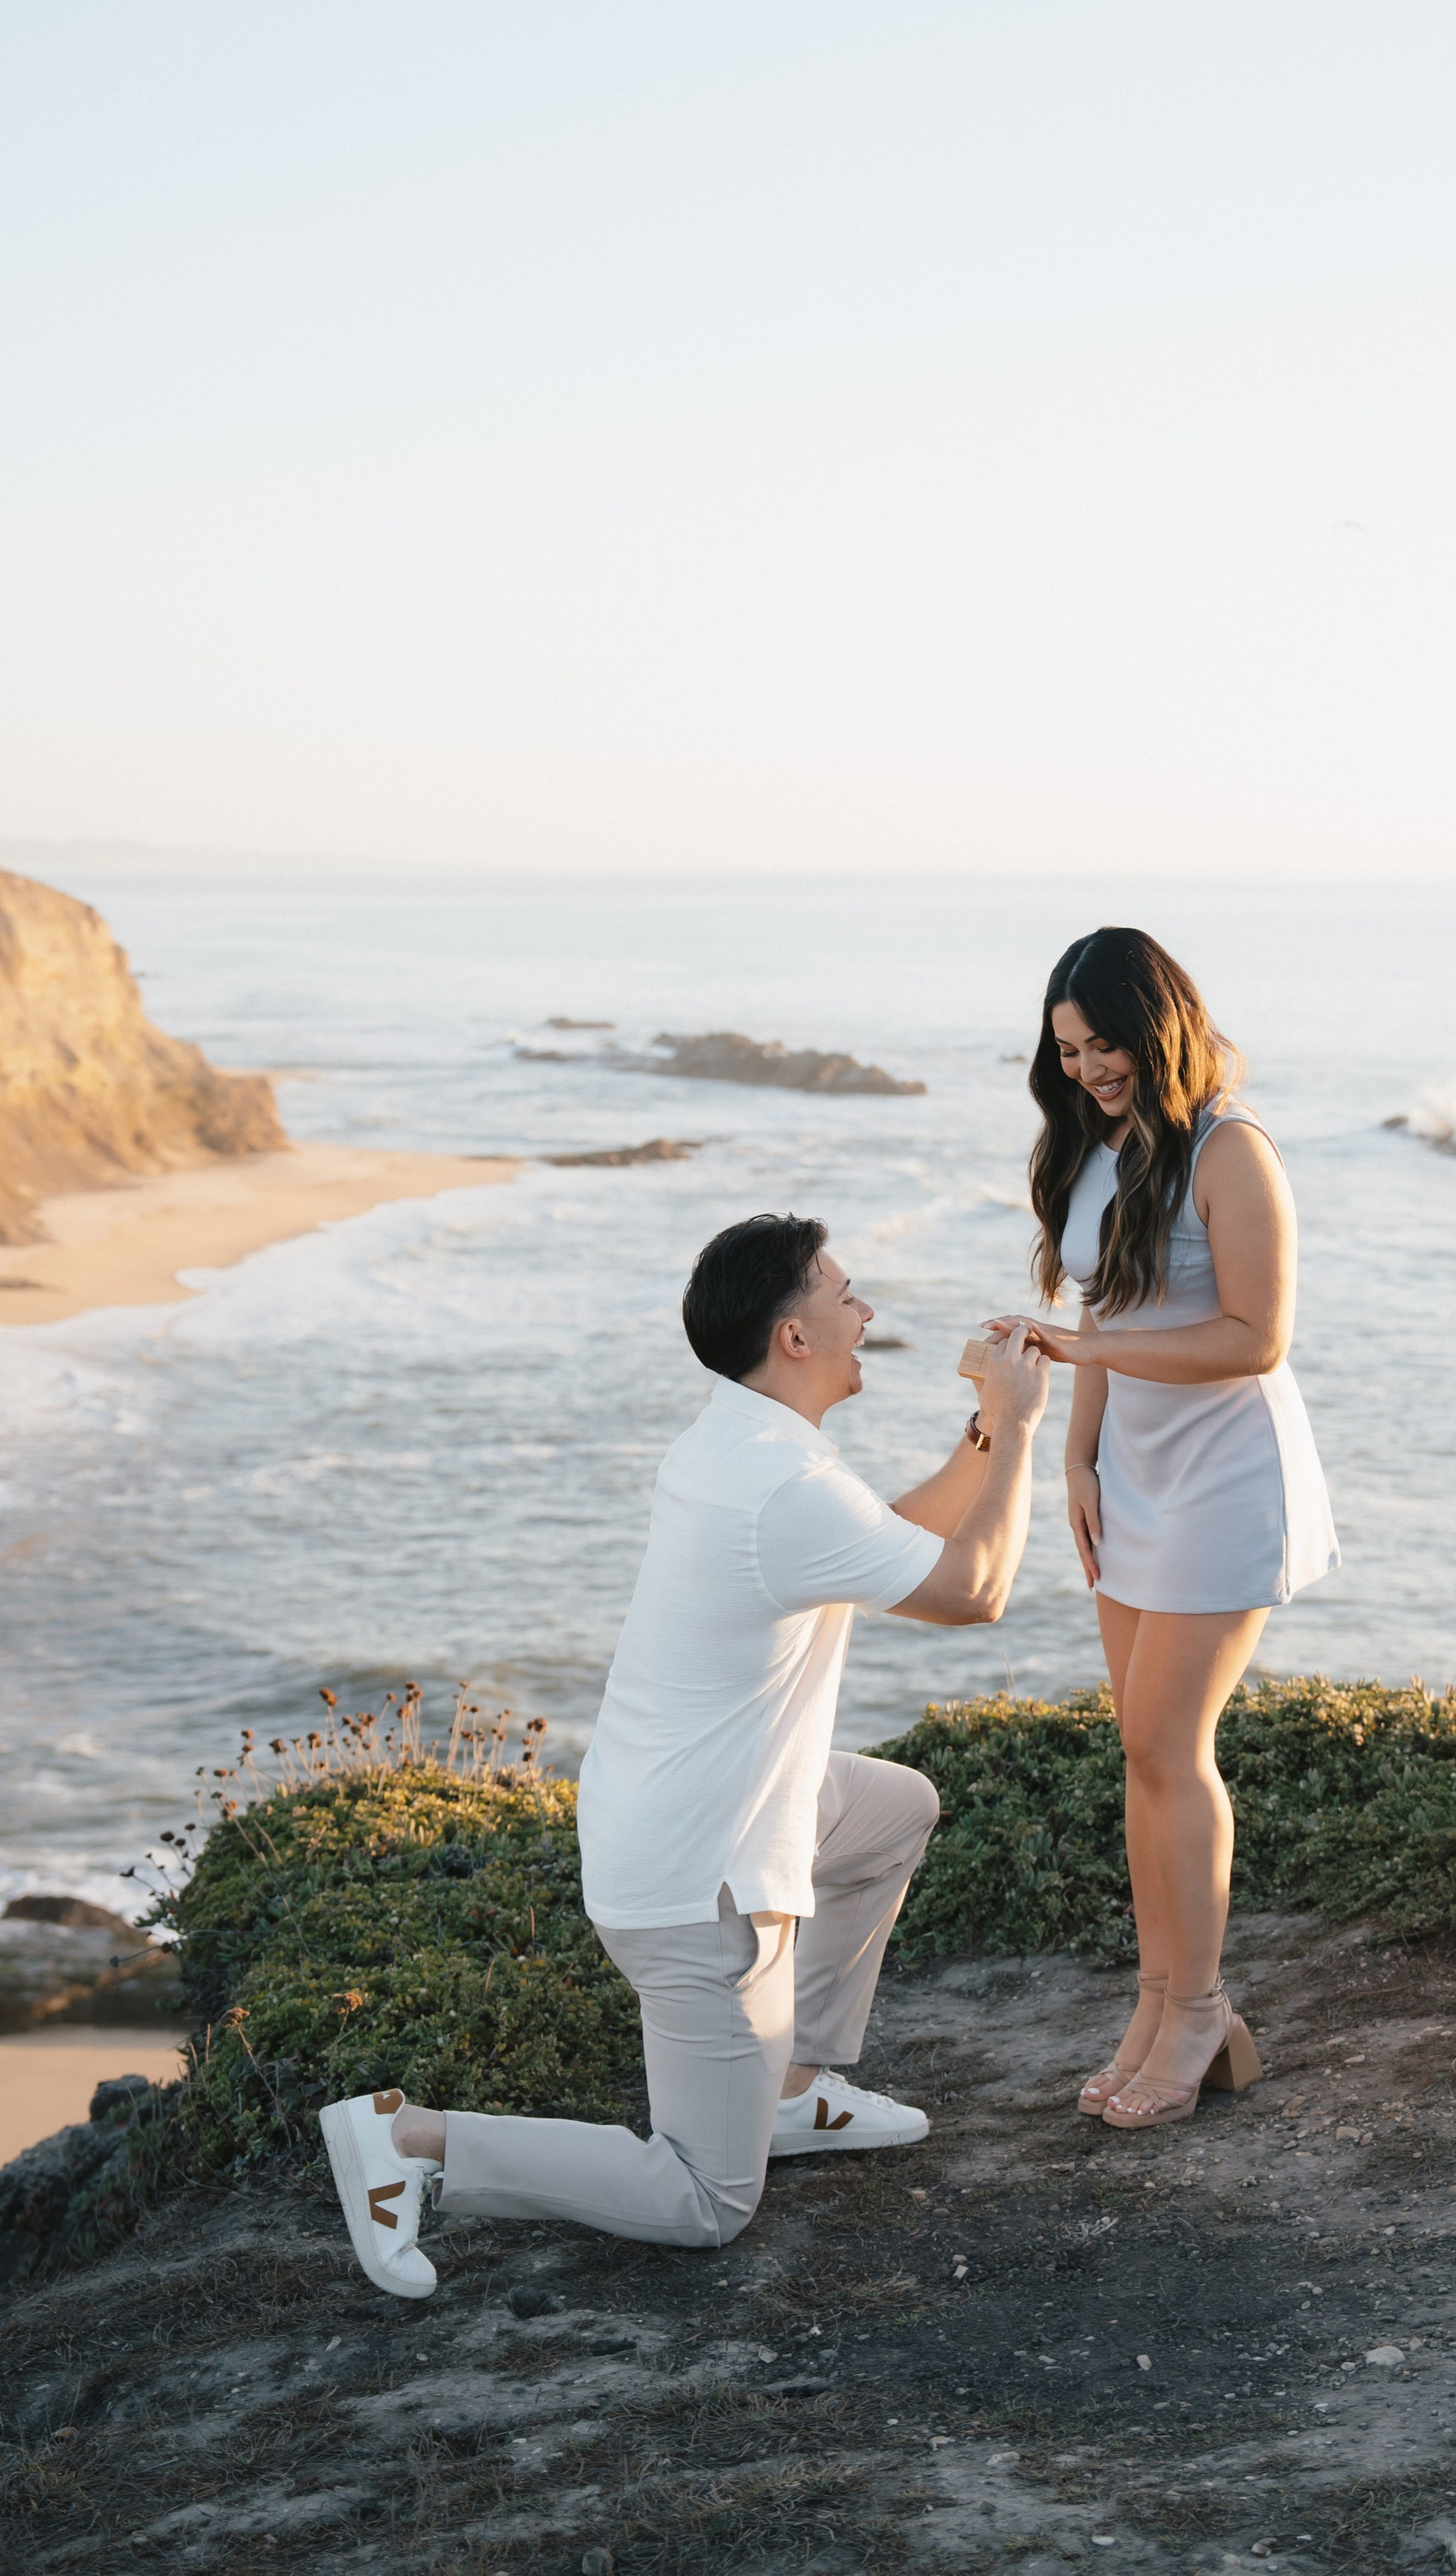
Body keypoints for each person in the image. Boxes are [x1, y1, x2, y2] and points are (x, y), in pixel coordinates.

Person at [321, 1211, 1050, 2298]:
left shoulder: (743, 1443)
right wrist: (1024, 1424)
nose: (868, 1313)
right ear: (793, 1337)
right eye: (846, 1295)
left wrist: (985, 1423)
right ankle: (412, 2142)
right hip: (698, 1888)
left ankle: (792, 2087)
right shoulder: (783, 1486)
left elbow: (894, 1540)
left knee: (892, 1808)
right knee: (707, 2201)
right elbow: (972, 1591)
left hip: (691, 1813)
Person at [1006, 926, 1339, 2131]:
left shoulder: (1232, 1148)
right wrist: (1078, 1456)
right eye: (1070, 1051)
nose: (1090, 1068)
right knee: (1138, 1753)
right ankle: (1162, 2004)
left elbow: (1256, 1336)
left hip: (1226, 1475)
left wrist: (1090, 1354)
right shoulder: (1099, 1144)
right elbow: (1110, 1298)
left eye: (1105, 1044)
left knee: (1169, 1739)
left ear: (1163, 1025)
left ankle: (1196, 2011)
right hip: (1134, 1475)